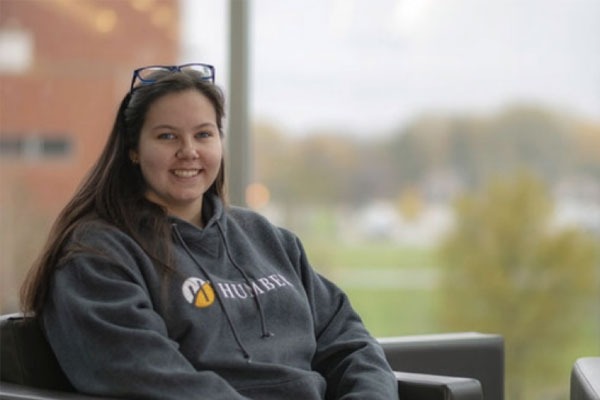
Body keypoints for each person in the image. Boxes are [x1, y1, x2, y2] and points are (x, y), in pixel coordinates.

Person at [20, 63, 398, 400]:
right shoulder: (98, 254)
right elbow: (147, 374)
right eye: (167, 136)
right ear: (133, 149)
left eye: (203, 134)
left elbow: (349, 340)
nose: (189, 151)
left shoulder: (267, 239)